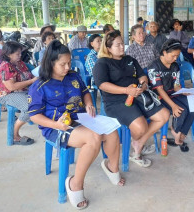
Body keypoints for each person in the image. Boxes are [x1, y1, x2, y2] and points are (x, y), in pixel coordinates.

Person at [28, 40, 124, 209]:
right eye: (62, 64)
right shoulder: (39, 86)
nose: (67, 67)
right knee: (93, 138)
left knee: (112, 130)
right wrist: (56, 125)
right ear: (50, 63)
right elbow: (35, 115)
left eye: (69, 63)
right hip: (55, 127)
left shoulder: (73, 75)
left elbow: (85, 92)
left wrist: (88, 104)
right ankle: (75, 183)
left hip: (79, 118)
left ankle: (112, 166)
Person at [93, 30, 169, 167]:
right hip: (116, 102)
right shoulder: (102, 63)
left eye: (122, 44)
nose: (122, 47)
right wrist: (126, 90)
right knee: (141, 127)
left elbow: (142, 76)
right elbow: (102, 85)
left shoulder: (129, 60)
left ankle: (138, 143)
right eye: (118, 45)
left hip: (138, 96)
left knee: (164, 115)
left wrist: (143, 85)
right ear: (108, 48)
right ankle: (137, 141)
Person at [148, 39, 194, 152]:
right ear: (164, 52)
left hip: (172, 93)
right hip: (158, 96)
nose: (175, 59)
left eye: (177, 56)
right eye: (173, 55)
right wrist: (173, 106)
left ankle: (181, 133)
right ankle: (176, 132)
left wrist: (183, 91)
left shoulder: (174, 66)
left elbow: (176, 85)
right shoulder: (154, 66)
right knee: (181, 110)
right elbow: (159, 89)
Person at [0, 41, 36, 145]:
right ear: (9, 54)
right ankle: (14, 134)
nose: (20, 55)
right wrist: (31, 81)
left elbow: (29, 76)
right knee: (30, 107)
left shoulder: (19, 63)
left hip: (22, 91)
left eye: (20, 53)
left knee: (42, 99)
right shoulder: (6, 66)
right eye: (17, 54)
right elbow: (11, 87)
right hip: (7, 94)